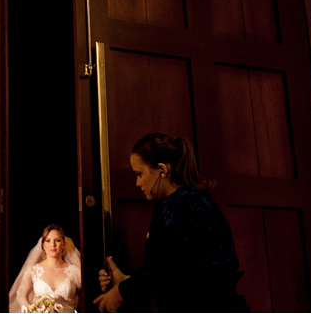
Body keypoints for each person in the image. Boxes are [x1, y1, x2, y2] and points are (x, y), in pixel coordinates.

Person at [93, 133, 247, 313]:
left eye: (139, 174)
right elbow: (174, 271)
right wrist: (127, 282)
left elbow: (158, 269)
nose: (137, 183)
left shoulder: (174, 205)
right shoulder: (199, 200)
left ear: (162, 170)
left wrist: (120, 293)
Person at [9, 223, 82, 313]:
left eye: (57, 240)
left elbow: (82, 297)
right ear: (43, 245)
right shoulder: (34, 270)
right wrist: (29, 308)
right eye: (48, 241)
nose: (53, 244)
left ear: (63, 244)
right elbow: (21, 294)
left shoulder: (74, 272)